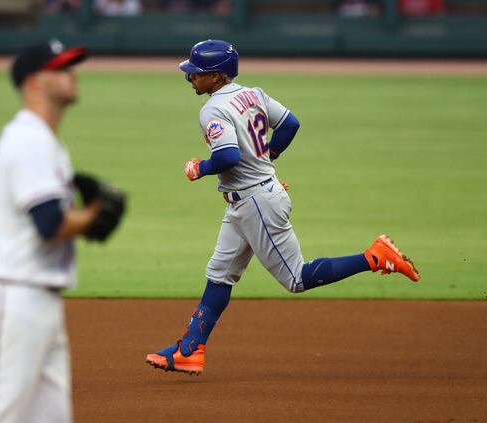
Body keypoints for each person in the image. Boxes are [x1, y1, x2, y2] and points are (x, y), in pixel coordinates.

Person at [145, 39, 421, 375]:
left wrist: (199, 168)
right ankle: (190, 348)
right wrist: (267, 158)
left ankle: (374, 257)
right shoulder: (254, 94)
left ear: (215, 76)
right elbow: (290, 124)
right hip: (249, 200)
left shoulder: (212, 110)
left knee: (296, 279)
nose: (190, 78)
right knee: (219, 274)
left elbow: (228, 156)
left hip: (256, 203)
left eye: (196, 73)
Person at [0, 39, 100, 422]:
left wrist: (89, 215)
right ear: (34, 83)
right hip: (13, 299)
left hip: (39, 302)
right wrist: (93, 216)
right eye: (60, 68)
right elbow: (49, 223)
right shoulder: (28, 139)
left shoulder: (46, 142)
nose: (71, 75)